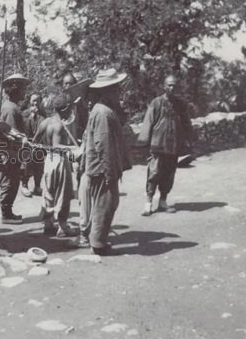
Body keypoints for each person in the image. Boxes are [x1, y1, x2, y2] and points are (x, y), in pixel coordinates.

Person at [83, 68, 130, 255]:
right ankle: (98, 243)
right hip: (102, 168)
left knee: (104, 203)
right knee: (105, 204)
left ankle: (97, 239)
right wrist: (110, 172)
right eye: (115, 88)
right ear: (107, 90)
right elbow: (103, 145)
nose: (118, 91)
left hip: (101, 167)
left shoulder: (103, 110)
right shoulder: (103, 113)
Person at [138, 74, 194, 216]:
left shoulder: (181, 104)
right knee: (154, 173)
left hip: (173, 145)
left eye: (174, 85)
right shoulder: (156, 103)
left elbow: (186, 123)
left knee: (169, 174)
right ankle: (148, 203)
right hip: (158, 145)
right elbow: (148, 122)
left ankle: (163, 201)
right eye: (169, 85)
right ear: (164, 86)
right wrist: (143, 142)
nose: (172, 88)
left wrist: (190, 139)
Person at [33, 93, 78, 237]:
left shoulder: (45, 122)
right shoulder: (58, 126)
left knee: (49, 193)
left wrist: (43, 148)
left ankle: (48, 224)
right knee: (63, 194)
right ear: (64, 109)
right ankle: (62, 227)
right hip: (59, 161)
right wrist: (73, 149)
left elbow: (34, 142)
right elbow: (56, 145)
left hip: (48, 162)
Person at [0, 73, 30, 224]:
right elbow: (11, 132)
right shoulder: (10, 109)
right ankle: (6, 213)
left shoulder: (12, 106)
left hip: (12, 150)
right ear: (15, 89)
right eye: (23, 89)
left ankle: (8, 211)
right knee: (10, 181)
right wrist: (22, 140)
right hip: (10, 151)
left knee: (12, 180)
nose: (25, 92)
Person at [21, 93, 45, 197]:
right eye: (33, 100)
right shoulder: (25, 113)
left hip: (39, 144)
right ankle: (24, 185)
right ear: (30, 101)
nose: (35, 103)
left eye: (37, 100)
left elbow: (44, 126)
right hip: (28, 143)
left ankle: (37, 186)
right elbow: (23, 127)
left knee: (39, 165)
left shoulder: (43, 114)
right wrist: (30, 116)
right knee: (27, 164)